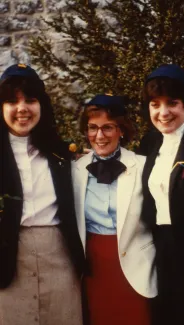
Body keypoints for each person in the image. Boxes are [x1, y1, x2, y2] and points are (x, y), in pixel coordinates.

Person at [0, 63, 85, 325]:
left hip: (59, 259)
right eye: (12, 101)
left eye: (30, 100)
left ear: (42, 106)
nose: (22, 108)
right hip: (6, 263)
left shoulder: (62, 154)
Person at [71, 94, 157, 325]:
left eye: (107, 127)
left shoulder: (143, 165)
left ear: (121, 130)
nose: (99, 136)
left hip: (137, 266)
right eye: (92, 128)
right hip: (94, 269)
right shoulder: (75, 170)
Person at [141, 63, 184, 325]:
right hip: (162, 250)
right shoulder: (150, 143)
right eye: (155, 104)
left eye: (172, 103)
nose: (163, 113)